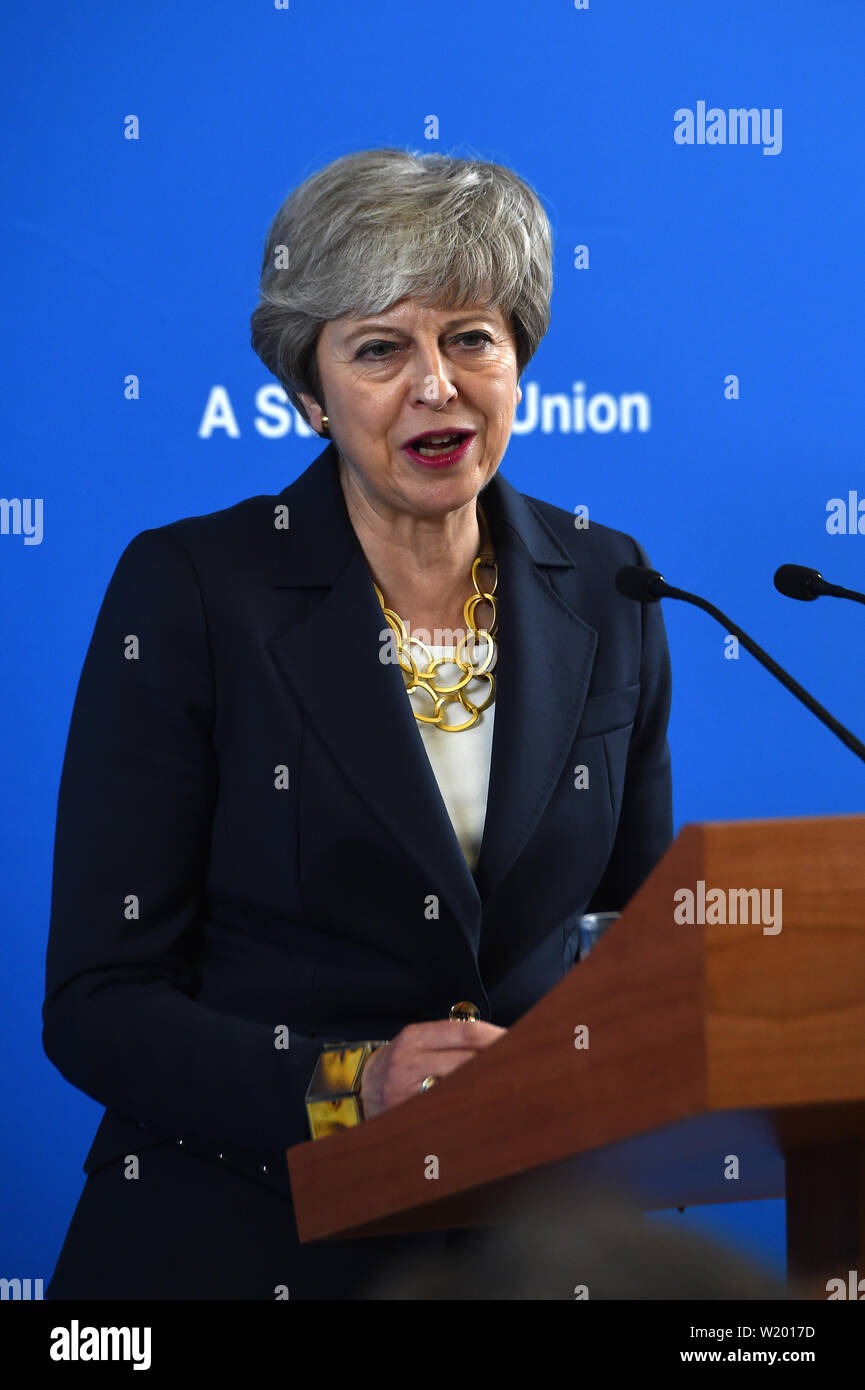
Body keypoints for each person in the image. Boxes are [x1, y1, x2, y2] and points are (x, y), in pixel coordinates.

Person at [42, 147, 673, 1300]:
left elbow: (628, 944)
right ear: (308, 392)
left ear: (518, 357)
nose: (436, 383)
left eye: (470, 337)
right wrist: (352, 1081)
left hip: (524, 1250)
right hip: (244, 1238)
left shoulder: (606, 584)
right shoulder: (191, 590)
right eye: (381, 348)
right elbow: (99, 1004)